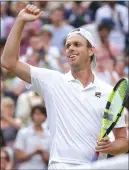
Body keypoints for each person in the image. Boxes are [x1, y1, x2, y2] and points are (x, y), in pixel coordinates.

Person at [1, 4, 128, 169]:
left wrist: (110, 147)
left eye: (77, 44)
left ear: (91, 50)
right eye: (67, 45)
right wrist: (20, 21)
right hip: (60, 165)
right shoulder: (52, 80)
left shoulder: (108, 92)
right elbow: (8, 62)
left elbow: (123, 141)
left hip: (94, 167)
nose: (70, 49)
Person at [14, 105, 50, 170]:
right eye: (36, 114)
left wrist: (42, 153)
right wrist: (34, 152)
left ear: (45, 117)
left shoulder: (49, 134)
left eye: (41, 114)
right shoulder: (23, 132)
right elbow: (18, 157)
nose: (38, 117)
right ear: (32, 116)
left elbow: (51, 159)